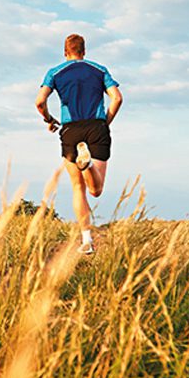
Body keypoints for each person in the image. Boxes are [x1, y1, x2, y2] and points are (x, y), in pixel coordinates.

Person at [35, 34, 123, 254]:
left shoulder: (55, 72)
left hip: (70, 131)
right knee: (96, 190)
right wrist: (105, 122)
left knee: (78, 188)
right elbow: (117, 98)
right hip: (97, 127)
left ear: (65, 52)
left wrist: (49, 119)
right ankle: (89, 165)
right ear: (84, 51)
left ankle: (86, 241)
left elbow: (39, 101)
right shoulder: (99, 69)